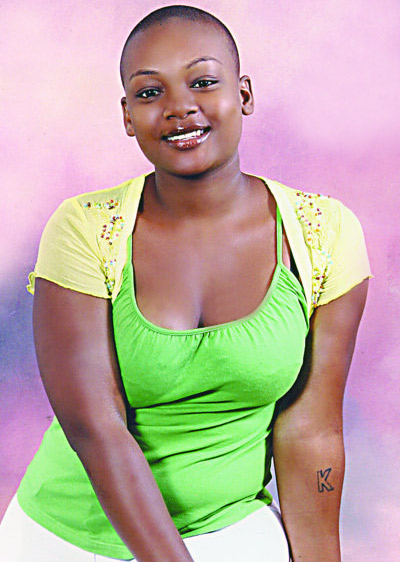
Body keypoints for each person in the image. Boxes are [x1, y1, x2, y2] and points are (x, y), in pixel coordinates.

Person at [0, 5, 371, 562]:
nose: (179, 107)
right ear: (128, 116)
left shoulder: (323, 235)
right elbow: (97, 429)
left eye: (203, 82)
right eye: (150, 93)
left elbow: (311, 431)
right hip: (68, 539)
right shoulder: (84, 228)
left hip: (231, 530)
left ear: (243, 94)